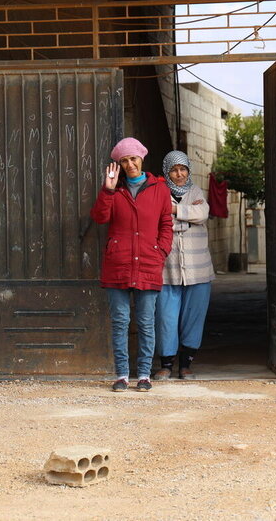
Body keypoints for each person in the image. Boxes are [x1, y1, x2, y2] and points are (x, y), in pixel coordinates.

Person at [90, 137, 173, 392]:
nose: (129, 164)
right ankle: (122, 375)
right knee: (120, 321)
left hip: (148, 263)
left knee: (146, 322)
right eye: (124, 161)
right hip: (118, 264)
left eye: (133, 159)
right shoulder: (115, 190)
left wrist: (160, 252)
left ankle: (145, 375)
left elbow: (166, 225)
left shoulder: (160, 188)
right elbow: (100, 218)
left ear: (142, 158)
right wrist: (108, 189)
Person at [154, 150, 214, 381]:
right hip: (167, 270)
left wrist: (175, 211)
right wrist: (186, 217)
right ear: (167, 172)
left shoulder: (197, 191)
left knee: (194, 317)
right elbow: (157, 218)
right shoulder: (158, 193)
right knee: (166, 318)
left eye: (182, 169)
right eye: (174, 170)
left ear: (188, 170)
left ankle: (186, 365)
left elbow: (202, 213)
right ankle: (166, 364)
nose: (179, 174)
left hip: (198, 269)